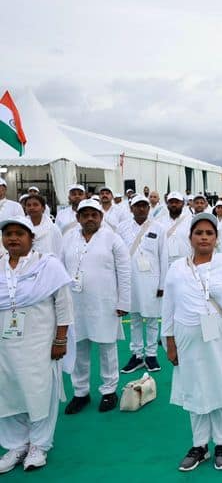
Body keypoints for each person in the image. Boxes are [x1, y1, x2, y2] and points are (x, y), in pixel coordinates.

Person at [162, 213, 222, 471]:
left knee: (220, 386)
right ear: (190, 237)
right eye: (198, 232)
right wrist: (170, 342)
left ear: (216, 237)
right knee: (194, 389)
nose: (203, 237)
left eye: (209, 233)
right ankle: (199, 445)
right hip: (186, 338)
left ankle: (221, 443)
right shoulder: (177, 268)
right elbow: (168, 308)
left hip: (220, 339)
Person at [0, 217, 73, 473]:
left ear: (32, 238)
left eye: (19, 233)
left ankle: (39, 445)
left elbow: (63, 304)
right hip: (5, 345)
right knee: (7, 392)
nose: (13, 238)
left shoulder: (48, 265)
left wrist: (61, 339)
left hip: (39, 343)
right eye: (8, 233)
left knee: (40, 392)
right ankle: (15, 445)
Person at [61, 199, 131, 414]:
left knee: (107, 347)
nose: (89, 218)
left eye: (94, 214)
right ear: (78, 217)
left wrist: (123, 301)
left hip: (105, 303)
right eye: (85, 214)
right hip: (76, 303)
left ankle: (109, 391)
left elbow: (125, 272)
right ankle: (81, 392)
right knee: (79, 347)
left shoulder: (113, 238)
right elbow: (60, 270)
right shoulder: (67, 238)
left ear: (101, 217)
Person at [118, 195, 168, 374]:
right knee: (135, 319)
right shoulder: (122, 228)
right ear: (131, 208)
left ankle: (152, 354)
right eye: (137, 206)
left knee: (153, 319)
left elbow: (163, 256)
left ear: (149, 208)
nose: (141, 209)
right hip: (130, 280)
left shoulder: (159, 228)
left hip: (152, 281)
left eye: (144, 206)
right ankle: (137, 355)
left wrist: (163, 284)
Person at [160, 192, 192, 265]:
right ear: (167, 204)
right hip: (166, 263)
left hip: (185, 263)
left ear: (183, 203)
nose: (174, 205)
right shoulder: (160, 221)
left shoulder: (190, 220)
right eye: (171, 202)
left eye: (177, 202)